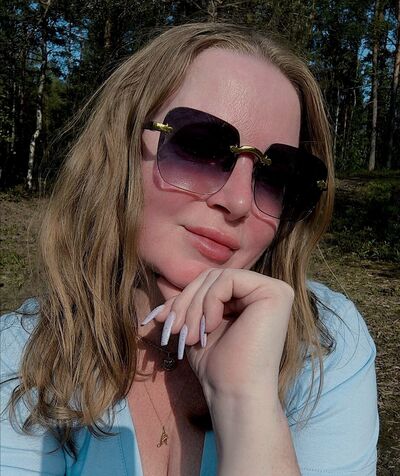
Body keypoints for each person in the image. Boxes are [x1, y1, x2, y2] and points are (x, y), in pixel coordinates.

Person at [0, 22, 378, 475]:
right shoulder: (20, 357)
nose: (238, 202)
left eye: (277, 176)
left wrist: (244, 400)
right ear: (120, 151)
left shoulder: (326, 345)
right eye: (199, 148)